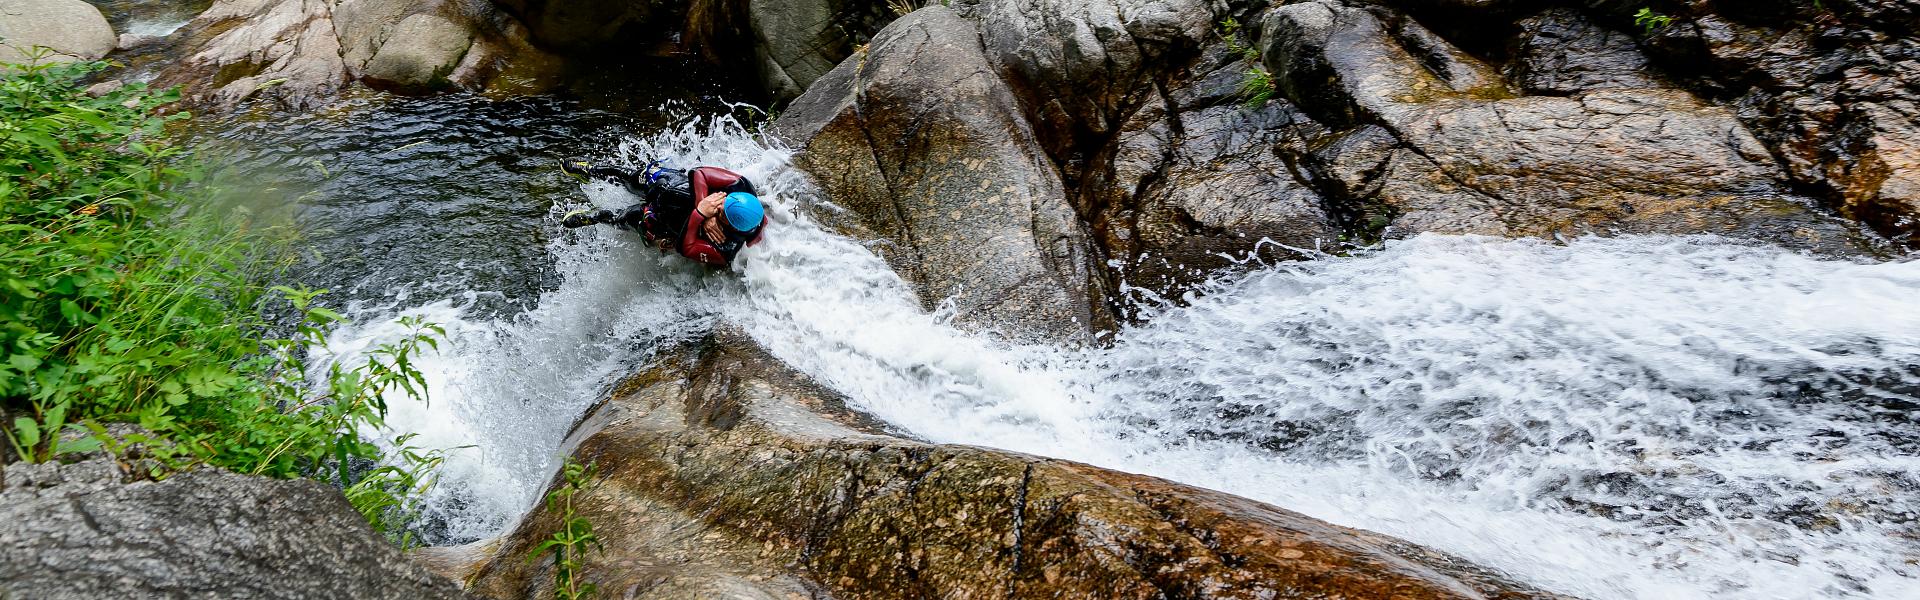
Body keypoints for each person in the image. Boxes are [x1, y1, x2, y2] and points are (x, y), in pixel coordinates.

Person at [558, 158, 766, 267]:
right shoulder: (740, 186)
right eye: (723, 201)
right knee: (629, 177)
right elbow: (699, 172)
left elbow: (687, 249)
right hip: (668, 185)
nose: (718, 204)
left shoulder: (726, 249)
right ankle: (591, 170)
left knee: (624, 218)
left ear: (730, 225)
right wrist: (705, 211)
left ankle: (593, 217)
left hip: (662, 222)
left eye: (721, 212)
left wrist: (699, 216)